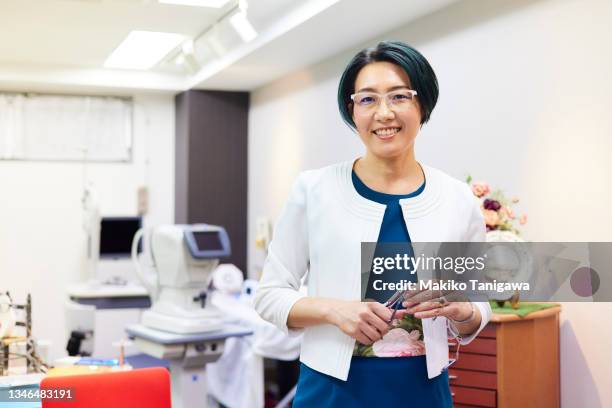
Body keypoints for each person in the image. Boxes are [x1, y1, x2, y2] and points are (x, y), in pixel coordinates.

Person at [254, 41, 492, 407]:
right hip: (332, 393)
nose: (383, 113)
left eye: (399, 96)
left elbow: (478, 302)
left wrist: (465, 312)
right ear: (352, 111)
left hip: (423, 393)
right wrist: (335, 310)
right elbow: (270, 294)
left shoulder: (457, 199)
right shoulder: (314, 190)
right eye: (367, 99)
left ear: (422, 104)